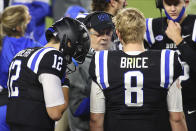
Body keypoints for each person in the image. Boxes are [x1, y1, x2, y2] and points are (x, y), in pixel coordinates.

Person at [89, 8, 188, 131]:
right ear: (144, 31)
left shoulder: (101, 60)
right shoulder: (166, 59)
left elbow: (95, 119)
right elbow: (177, 118)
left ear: (118, 34)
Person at [6, 17, 90, 131]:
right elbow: (55, 112)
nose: (72, 57)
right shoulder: (53, 55)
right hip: (35, 124)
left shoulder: (22, 53)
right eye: (76, 49)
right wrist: (65, 84)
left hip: (13, 122)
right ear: (68, 42)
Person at [145, 0, 196, 130]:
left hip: (190, 106)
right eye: (168, 4)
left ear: (186, 2)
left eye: (176, 4)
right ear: (161, 3)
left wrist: (178, 40)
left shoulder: (195, 24)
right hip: (161, 106)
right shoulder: (151, 26)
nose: (172, 9)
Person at [67, 11, 114, 131]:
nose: (104, 37)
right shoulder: (76, 63)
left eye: (108, 33)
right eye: (99, 33)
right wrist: (109, 92)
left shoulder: (116, 55)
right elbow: (77, 109)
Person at [0, 5, 42, 131]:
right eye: (28, 18)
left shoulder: (2, 44)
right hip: (26, 108)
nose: (31, 18)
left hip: (2, 105)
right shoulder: (35, 46)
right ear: (19, 27)